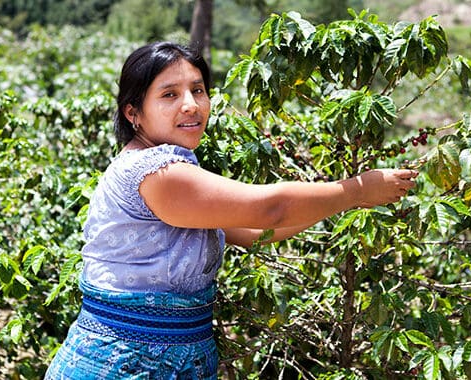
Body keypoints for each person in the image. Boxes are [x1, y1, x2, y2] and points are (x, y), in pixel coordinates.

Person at [44, 41, 418, 379]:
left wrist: (344, 200)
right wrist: (356, 190)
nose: (191, 104)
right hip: (125, 364)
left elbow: (255, 232)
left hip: (170, 361)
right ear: (133, 112)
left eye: (198, 90)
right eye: (169, 94)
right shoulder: (156, 173)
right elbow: (270, 210)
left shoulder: (173, 167)